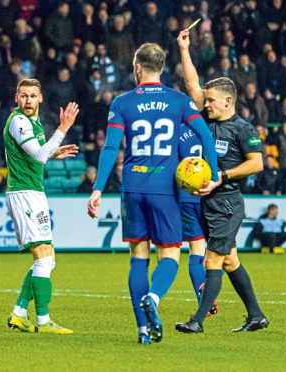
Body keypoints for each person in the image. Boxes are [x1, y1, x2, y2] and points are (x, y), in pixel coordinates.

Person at [86, 43, 219, 344]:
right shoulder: (179, 101)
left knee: (137, 258)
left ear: (137, 67)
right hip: (164, 188)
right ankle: (154, 299)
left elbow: (110, 148)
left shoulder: (121, 102)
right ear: (161, 69)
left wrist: (97, 189)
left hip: (131, 186)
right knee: (170, 255)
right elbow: (205, 139)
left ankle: (143, 331)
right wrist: (212, 176)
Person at [175, 29, 269, 334]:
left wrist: (222, 176)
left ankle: (197, 321)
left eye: (212, 100)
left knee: (212, 258)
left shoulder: (242, 129)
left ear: (228, 101)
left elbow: (257, 163)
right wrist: (184, 49)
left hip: (228, 201)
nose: (206, 103)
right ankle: (256, 316)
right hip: (208, 200)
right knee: (229, 261)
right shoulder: (208, 119)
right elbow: (191, 84)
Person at [5, 78, 79, 334]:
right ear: (17, 98)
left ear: (40, 98)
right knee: (44, 257)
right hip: (24, 193)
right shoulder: (18, 121)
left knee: (46, 258)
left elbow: (36, 155)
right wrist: (63, 128)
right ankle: (44, 321)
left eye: (32, 96)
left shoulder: (32, 122)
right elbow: (38, 154)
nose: (28, 100)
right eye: (23, 96)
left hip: (32, 192)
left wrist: (53, 152)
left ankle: (19, 313)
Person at [177, 124, 218, 316]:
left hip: (185, 194)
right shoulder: (212, 128)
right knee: (224, 252)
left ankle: (203, 297)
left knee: (196, 250)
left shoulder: (175, 130)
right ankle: (207, 290)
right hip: (210, 194)